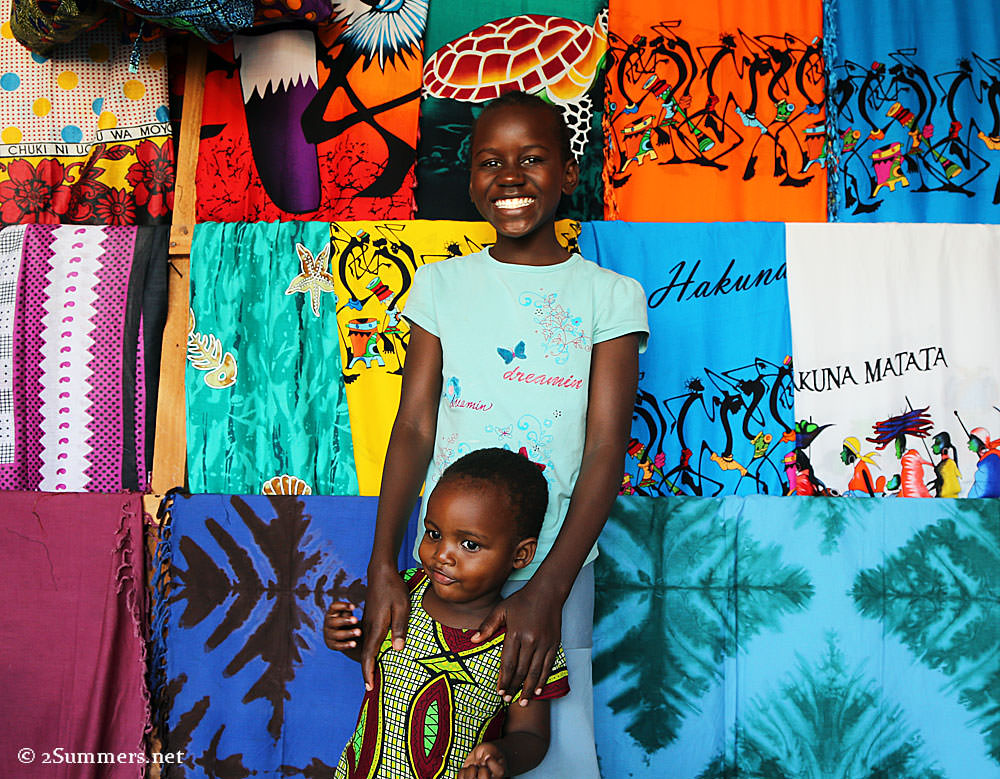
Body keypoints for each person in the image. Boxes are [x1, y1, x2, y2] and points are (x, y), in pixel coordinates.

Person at [362, 90, 649, 776]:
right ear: (469, 180)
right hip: (449, 562)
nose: (511, 176)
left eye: (532, 158)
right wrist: (382, 561)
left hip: (558, 561)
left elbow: (608, 446)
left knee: (548, 734)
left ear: (569, 172)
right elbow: (413, 426)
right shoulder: (439, 285)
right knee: (419, 724)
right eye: (491, 161)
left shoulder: (610, 295)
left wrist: (547, 586)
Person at [325, 448, 570, 778]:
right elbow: (378, 654)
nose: (441, 555)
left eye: (469, 544)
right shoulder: (402, 592)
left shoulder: (522, 639)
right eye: (434, 533)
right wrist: (348, 638)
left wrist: (502, 756)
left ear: (520, 554)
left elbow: (533, 736)